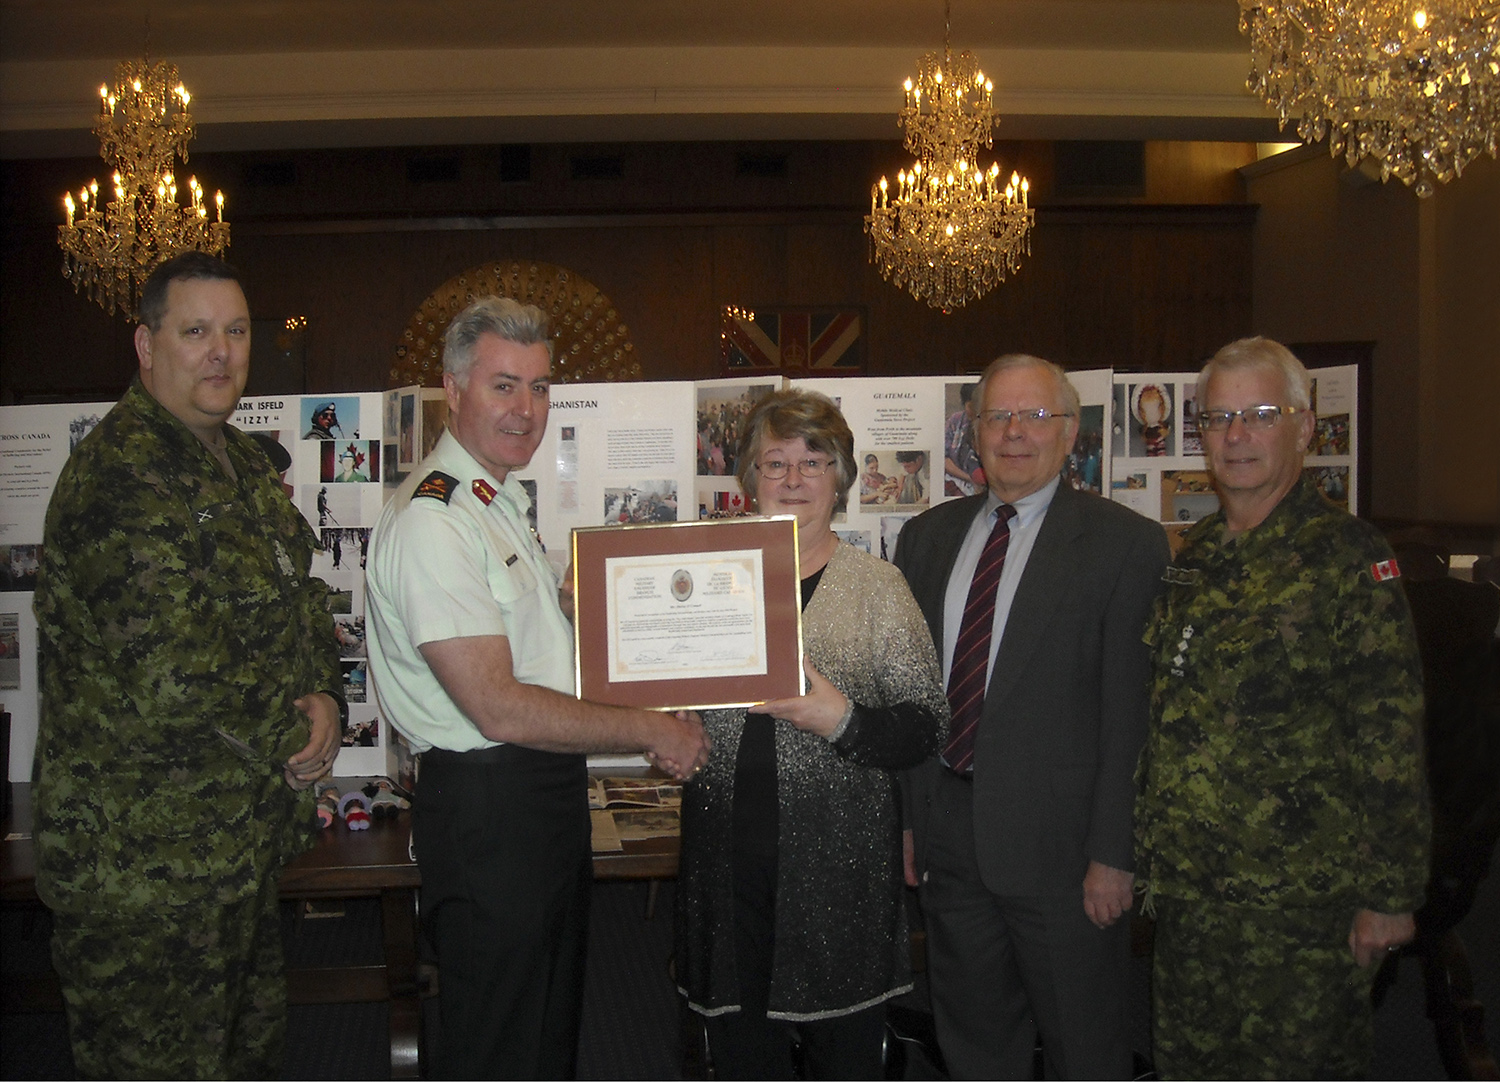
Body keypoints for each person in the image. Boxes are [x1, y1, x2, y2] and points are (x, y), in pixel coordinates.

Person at [364, 295, 710, 1080]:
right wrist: (652, 728)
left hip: (535, 796)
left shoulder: (492, 499)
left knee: (546, 1026)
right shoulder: (435, 520)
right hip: (491, 808)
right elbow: (499, 705)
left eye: (540, 387)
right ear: (452, 389)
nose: (526, 409)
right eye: (503, 386)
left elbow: (535, 642)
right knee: (500, 1040)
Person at [31, 251, 344, 1078]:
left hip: (234, 849)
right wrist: (298, 731)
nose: (221, 352)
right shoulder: (119, 477)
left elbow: (300, 596)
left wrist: (325, 694)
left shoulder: (241, 462)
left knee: (247, 1059)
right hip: (142, 874)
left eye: (235, 332)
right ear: (146, 345)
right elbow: (179, 669)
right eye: (196, 331)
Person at [1135, 336, 1431, 1079]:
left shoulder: (1347, 556)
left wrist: (1389, 895)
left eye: (1260, 415)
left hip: (1301, 909)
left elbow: (1389, 735)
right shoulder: (1198, 554)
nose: (1236, 435)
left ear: (1303, 428)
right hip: (1193, 897)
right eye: (1219, 417)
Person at [894, 353, 1169, 1079]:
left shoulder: (1125, 544)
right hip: (951, 837)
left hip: (1067, 856)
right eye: (998, 415)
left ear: (1071, 431)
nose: (1015, 431)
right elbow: (914, 695)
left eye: (1036, 415)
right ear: (974, 430)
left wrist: (1115, 854)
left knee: (1085, 1046)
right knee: (974, 1044)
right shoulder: (927, 539)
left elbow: (1129, 716)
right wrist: (911, 821)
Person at [676, 389, 948, 1080]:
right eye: (775, 462)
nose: (793, 479)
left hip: (839, 862)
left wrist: (840, 719)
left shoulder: (878, 587)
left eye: (813, 461)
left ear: (841, 478)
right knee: (742, 1051)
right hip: (727, 856)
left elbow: (925, 724)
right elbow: (668, 690)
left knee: (842, 1054)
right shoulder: (708, 576)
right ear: (751, 478)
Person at [944, 382, 985, 497]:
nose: (975, 411)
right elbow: (944, 458)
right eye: (971, 406)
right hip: (958, 481)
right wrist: (969, 479)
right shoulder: (955, 420)